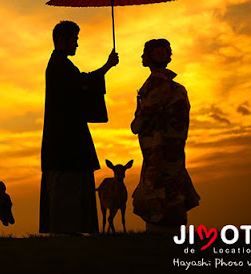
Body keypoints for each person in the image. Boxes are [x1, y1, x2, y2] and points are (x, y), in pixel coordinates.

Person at [40, 20, 118, 234]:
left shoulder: (60, 64)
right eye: (74, 39)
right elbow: (81, 83)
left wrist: (104, 69)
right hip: (66, 140)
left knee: (69, 183)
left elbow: (81, 83)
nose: (77, 44)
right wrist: (107, 66)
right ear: (62, 40)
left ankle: (69, 228)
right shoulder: (59, 65)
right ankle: (67, 228)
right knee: (67, 184)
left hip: (65, 137)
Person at [131, 39, 200, 233]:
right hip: (173, 146)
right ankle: (172, 228)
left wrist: (137, 122)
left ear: (148, 58)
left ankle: (160, 228)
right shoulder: (175, 86)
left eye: (145, 53)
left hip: (159, 147)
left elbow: (147, 115)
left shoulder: (158, 83)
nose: (142, 57)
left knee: (158, 184)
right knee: (173, 181)